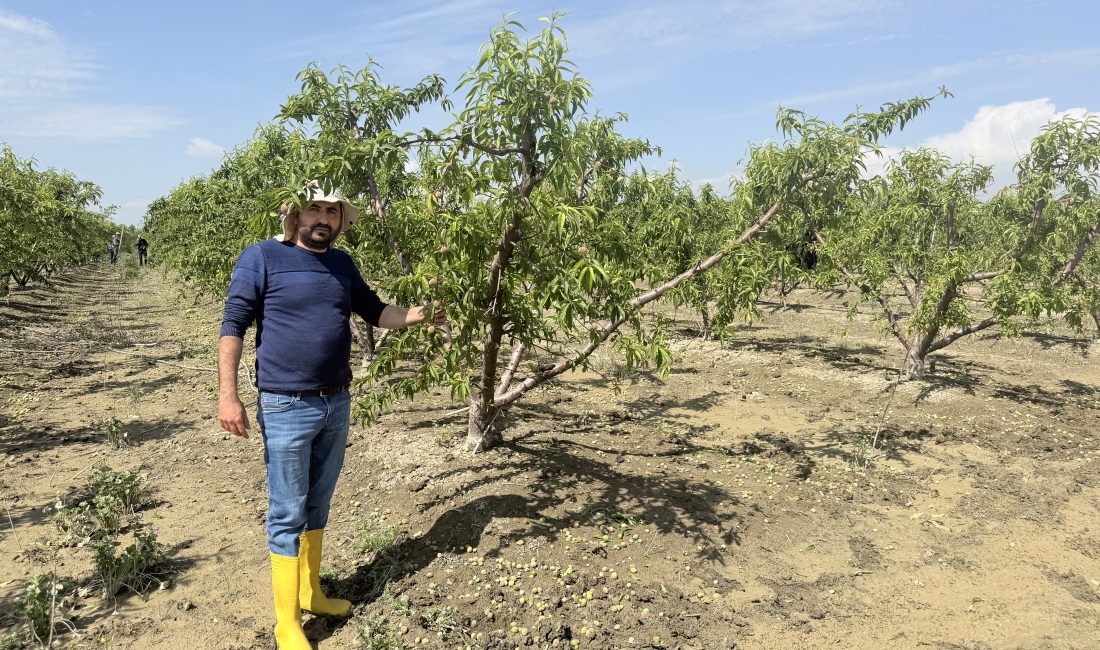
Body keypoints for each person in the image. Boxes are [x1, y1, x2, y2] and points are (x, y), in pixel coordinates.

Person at [217, 183, 445, 650]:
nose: (323, 218)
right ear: (296, 215)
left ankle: (311, 592)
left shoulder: (342, 264)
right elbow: (233, 322)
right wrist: (228, 395)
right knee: (286, 510)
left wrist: (422, 314)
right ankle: (287, 623)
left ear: (341, 221)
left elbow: (376, 311)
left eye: (332, 211)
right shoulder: (262, 257)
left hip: (336, 401)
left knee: (318, 503)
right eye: (315, 209)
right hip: (284, 404)